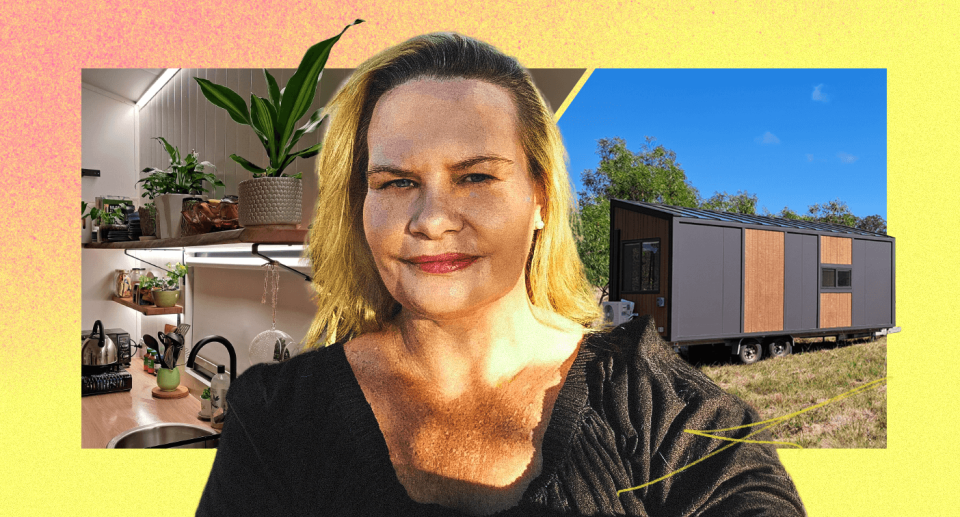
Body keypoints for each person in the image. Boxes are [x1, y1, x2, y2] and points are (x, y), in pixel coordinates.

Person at [196, 33, 805, 517]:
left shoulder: (672, 419)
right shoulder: (275, 417)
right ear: (361, 205)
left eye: (476, 177)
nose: (431, 220)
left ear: (541, 197)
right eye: (396, 181)